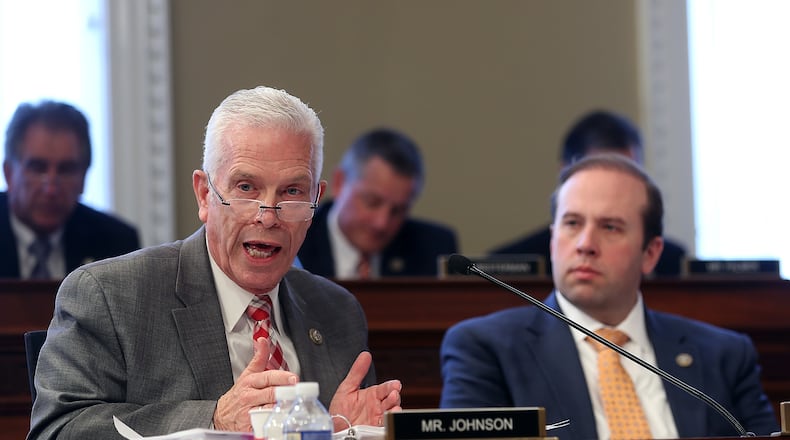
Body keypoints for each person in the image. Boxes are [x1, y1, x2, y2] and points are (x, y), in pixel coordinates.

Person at [28, 86, 402, 438]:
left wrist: (340, 431)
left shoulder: (337, 311)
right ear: (205, 194)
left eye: (291, 192)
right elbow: (58, 430)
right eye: (246, 188)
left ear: (315, 202)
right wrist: (215, 422)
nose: (268, 216)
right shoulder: (110, 296)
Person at [440, 154, 778, 438]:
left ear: (650, 253)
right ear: (553, 236)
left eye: (610, 227)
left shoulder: (724, 355)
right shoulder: (486, 349)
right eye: (572, 223)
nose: (585, 243)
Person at [489, 110, 686, 277]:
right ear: (565, 174)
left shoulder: (672, 262)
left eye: (626, 175)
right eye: (572, 224)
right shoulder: (507, 266)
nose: (586, 245)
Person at [1, 100, 140, 279]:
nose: (51, 189)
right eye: (38, 168)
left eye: (66, 170)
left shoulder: (117, 244)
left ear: (83, 178)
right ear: (9, 173)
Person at [298, 128, 457, 279]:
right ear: (339, 183)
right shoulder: (297, 240)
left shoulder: (432, 247)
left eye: (397, 210)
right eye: (372, 202)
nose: (381, 223)